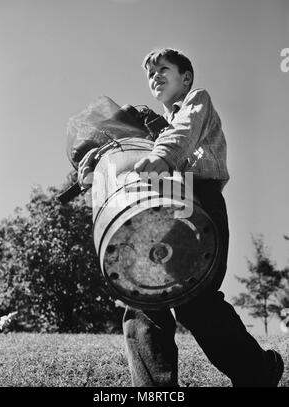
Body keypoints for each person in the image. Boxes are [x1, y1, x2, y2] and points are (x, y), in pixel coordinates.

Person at [78, 48, 284, 387]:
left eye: (164, 69)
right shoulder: (149, 131)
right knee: (141, 298)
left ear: (185, 77)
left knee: (197, 303)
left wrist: (162, 156)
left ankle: (258, 373)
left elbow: (183, 132)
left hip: (198, 199)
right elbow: (127, 159)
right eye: (150, 73)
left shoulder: (195, 101)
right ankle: (155, 391)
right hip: (157, 205)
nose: (155, 76)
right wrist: (97, 159)